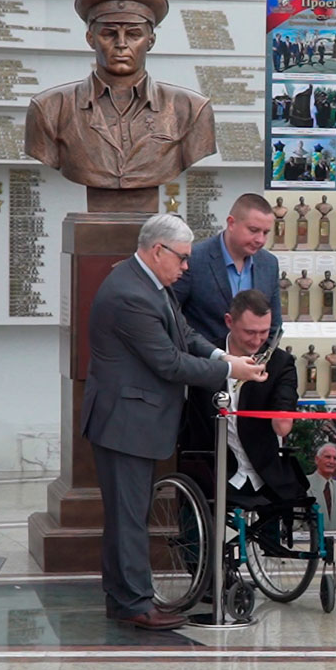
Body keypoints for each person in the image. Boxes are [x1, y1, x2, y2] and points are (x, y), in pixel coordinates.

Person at [82, 214, 267, 630]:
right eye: (182, 258)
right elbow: (168, 361)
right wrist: (229, 373)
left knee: (128, 514)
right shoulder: (131, 294)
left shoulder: (151, 284)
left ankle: (123, 597)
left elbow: (185, 335)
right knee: (129, 517)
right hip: (124, 422)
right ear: (157, 251)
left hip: (133, 420)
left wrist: (225, 357)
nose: (187, 267)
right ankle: (135, 603)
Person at [24, 0, 215, 196]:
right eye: (109, 34)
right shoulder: (49, 109)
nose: (122, 44)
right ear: (90, 39)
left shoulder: (191, 109)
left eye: (134, 34)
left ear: (150, 41)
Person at [181, 290, 300, 504]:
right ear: (229, 321)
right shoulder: (204, 357)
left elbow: (283, 421)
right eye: (250, 332)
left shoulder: (280, 363)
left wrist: (284, 414)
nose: (257, 340)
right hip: (211, 473)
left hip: (265, 475)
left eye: (264, 332)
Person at [173, 194, 281, 347]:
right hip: (203, 365)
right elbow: (172, 316)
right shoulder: (193, 260)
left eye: (265, 233)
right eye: (253, 230)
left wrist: (259, 359)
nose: (260, 240)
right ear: (231, 223)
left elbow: (274, 324)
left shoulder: (269, 264)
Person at [307, 443, 336, 531]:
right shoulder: (303, 484)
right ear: (317, 460)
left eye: (335, 458)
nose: (331, 461)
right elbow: (295, 525)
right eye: (327, 457)